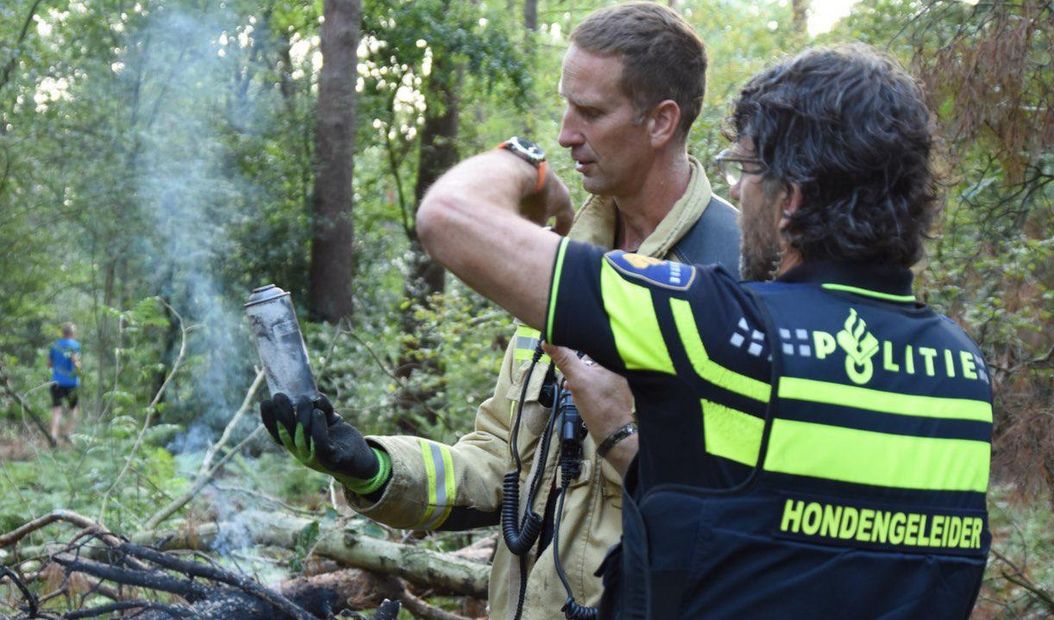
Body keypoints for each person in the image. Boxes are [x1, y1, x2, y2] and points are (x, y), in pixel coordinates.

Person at [413, 44, 993, 618]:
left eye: (746, 169)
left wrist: (525, 164)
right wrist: (618, 435)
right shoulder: (964, 373)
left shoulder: (722, 325)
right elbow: (791, 537)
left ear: (791, 198)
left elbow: (451, 218)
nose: (737, 190)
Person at [260, 4, 741, 618]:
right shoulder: (560, 265)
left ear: (661, 122)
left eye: (591, 113)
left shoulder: (737, 274)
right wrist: (371, 467)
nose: (566, 134)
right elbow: (497, 464)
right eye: (566, 106)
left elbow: (745, 518)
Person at [47, 322, 82, 443]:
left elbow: (49, 364)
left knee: (57, 410)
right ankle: (68, 434)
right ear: (73, 333)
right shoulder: (75, 346)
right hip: (71, 383)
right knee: (73, 409)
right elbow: (76, 365)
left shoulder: (55, 345)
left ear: (63, 333)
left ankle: (53, 436)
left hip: (56, 382)